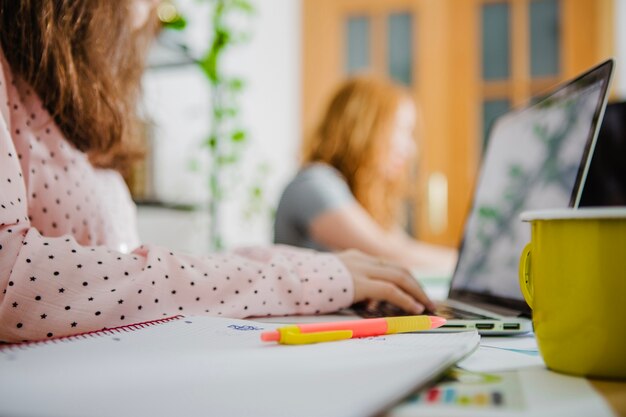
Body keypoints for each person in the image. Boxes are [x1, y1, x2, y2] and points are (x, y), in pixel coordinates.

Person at [0, 1, 434, 343]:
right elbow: (14, 275)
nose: (152, 10)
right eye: (402, 131)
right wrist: (301, 277)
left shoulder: (56, 99)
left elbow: (126, 269)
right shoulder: (316, 184)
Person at [274, 77, 457, 272]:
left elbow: (402, 247)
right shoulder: (313, 184)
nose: (410, 149)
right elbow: (389, 255)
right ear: (362, 130)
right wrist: (468, 266)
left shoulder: (359, 193)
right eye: (401, 130)